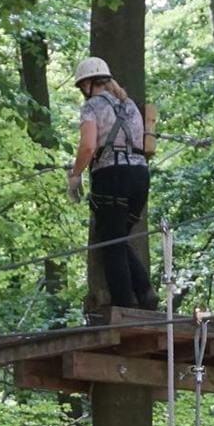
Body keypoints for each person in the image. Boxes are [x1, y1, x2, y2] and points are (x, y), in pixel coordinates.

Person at [65, 56, 158, 313]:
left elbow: (88, 145)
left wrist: (75, 174)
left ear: (88, 84)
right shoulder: (128, 105)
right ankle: (145, 292)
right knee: (116, 237)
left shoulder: (92, 106)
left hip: (111, 176)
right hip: (140, 176)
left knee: (110, 243)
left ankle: (124, 305)